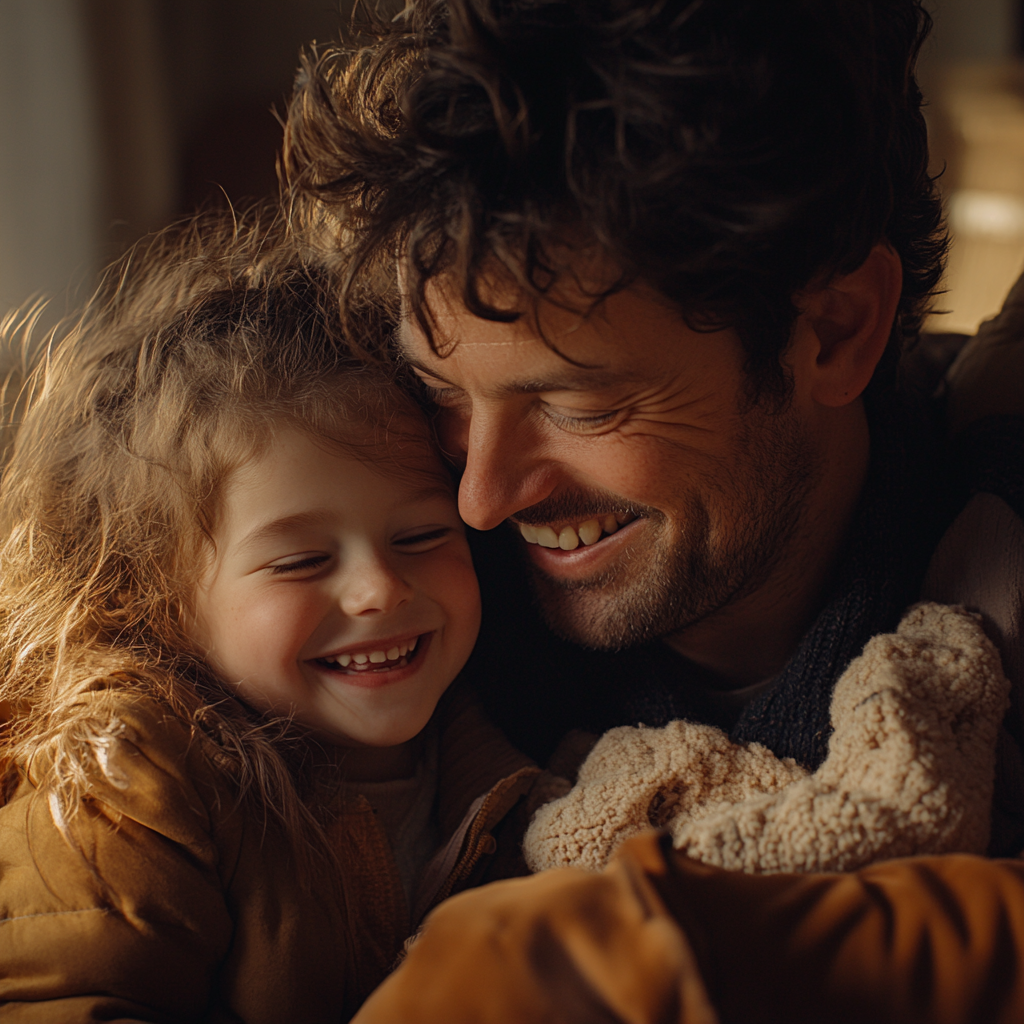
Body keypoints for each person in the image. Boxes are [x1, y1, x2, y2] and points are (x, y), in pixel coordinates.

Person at [280, 0, 1024, 1018]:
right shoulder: (377, 578)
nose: (481, 498)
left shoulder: (996, 540)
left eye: (579, 404)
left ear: (837, 332)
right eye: (449, 397)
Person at [0, 207, 539, 1022]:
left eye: (423, 535)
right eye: (302, 562)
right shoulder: (128, 781)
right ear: (156, 600)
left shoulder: (504, 743)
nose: (378, 591)